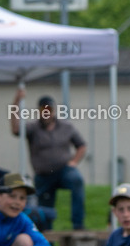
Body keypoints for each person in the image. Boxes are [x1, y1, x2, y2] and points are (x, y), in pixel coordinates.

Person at [9, 91, 86, 230]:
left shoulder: (66, 127)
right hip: (43, 175)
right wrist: (17, 102)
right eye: (43, 110)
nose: (46, 113)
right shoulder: (33, 128)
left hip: (64, 170)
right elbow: (15, 129)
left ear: (53, 110)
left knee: (76, 180)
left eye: (49, 110)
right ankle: (47, 238)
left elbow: (81, 145)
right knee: (45, 210)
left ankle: (78, 224)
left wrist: (74, 161)